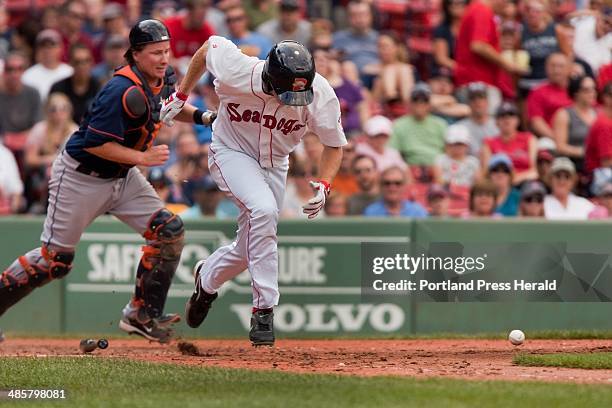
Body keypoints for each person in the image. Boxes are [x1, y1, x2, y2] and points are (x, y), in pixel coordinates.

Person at [0, 20, 215, 343]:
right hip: (82, 177)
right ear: (137, 54)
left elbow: (170, 106)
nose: (163, 58)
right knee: (55, 261)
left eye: (166, 51)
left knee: (169, 231)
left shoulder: (161, 78)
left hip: (122, 175)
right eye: (156, 52)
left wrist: (204, 117)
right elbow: (94, 143)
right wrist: (142, 159)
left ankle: (141, 314)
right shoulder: (121, 90)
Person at [160, 36, 346, 346]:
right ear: (270, 80)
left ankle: (207, 279)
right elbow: (209, 47)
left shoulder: (319, 91)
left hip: (275, 163)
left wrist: (325, 185)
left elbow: (334, 145)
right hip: (231, 151)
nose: (295, 97)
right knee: (264, 211)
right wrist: (181, 92)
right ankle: (264, 311)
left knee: (251, 245)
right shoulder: (239, 69)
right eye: (288, 91)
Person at [24, 93, 78, 213]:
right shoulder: (39, 129)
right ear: (47, 111)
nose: (59, 113)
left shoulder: (75, 131)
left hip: (66, 175)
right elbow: (29, 159)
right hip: (41, 175)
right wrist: (51, 160)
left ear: (70, 111)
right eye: (54, 109)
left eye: (63, 109)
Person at [389, 83, 447, 167]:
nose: (420, 104)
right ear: (410, 103)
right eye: (416, 100)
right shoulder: (399, 124)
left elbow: (449, 151)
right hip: (410, 167)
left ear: (429, 104)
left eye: (424, 100)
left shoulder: (440, 124)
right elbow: (393, 152)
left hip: (438, 167)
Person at [482, 102, 538, 184]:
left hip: (524, 183)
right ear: (496, 121)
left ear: (518, 120)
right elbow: (486, 172)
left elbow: (534, 170)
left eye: (511, 115)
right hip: (498, 183)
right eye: (503, 116)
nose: (507, 119)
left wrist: (514, 179)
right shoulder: (489, 142)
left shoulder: (529, 138)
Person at [552, 75, 597, 174]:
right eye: (586, 90)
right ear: (576, 93)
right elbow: (560, 147)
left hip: (596, 164)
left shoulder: (599, 114)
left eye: (593, 89)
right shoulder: (564, 114)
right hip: (571, 164)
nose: (592, 93)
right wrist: (585, 152)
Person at [49, 43, 101, 124]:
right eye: (77, 62)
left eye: (86, 61)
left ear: (92, 62)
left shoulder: (100, 87)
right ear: (70, 63)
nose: (82, 66)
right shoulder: (58, 88)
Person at [526, 52, 573, 139]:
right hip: (551, 138)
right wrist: (557, 139)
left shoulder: (578, 90)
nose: (556, 70)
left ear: (569, 69)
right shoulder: (537, 92)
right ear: (546, 68)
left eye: (560, 66)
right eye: (552, 66)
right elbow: (536, 121)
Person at [22, 29, 74, 102]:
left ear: (61, 48)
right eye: (43, 46)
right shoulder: (28, 75)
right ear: (37, 49)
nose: (47, 50)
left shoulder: (70, 72)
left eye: (52, 45)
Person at [363, 166, 428, 217]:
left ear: (404, 186)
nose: (392, 187)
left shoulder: (417, 212)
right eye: (387, 183)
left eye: (397, 183)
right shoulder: (371, 212)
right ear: (381, 186)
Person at [455, 82, 499, 155]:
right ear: (468, 102)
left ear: (487, 101)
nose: (477, 101)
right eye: (473, 98)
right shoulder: (460, 127)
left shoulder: (498, 125)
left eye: (481, 97)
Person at [432, 0, 467, 73]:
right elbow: (441, 58)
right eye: (450, 3)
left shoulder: (471, 28)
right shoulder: (441, 29)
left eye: (460, 2)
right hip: (447, 73)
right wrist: (463, 69)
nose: (455, 5)